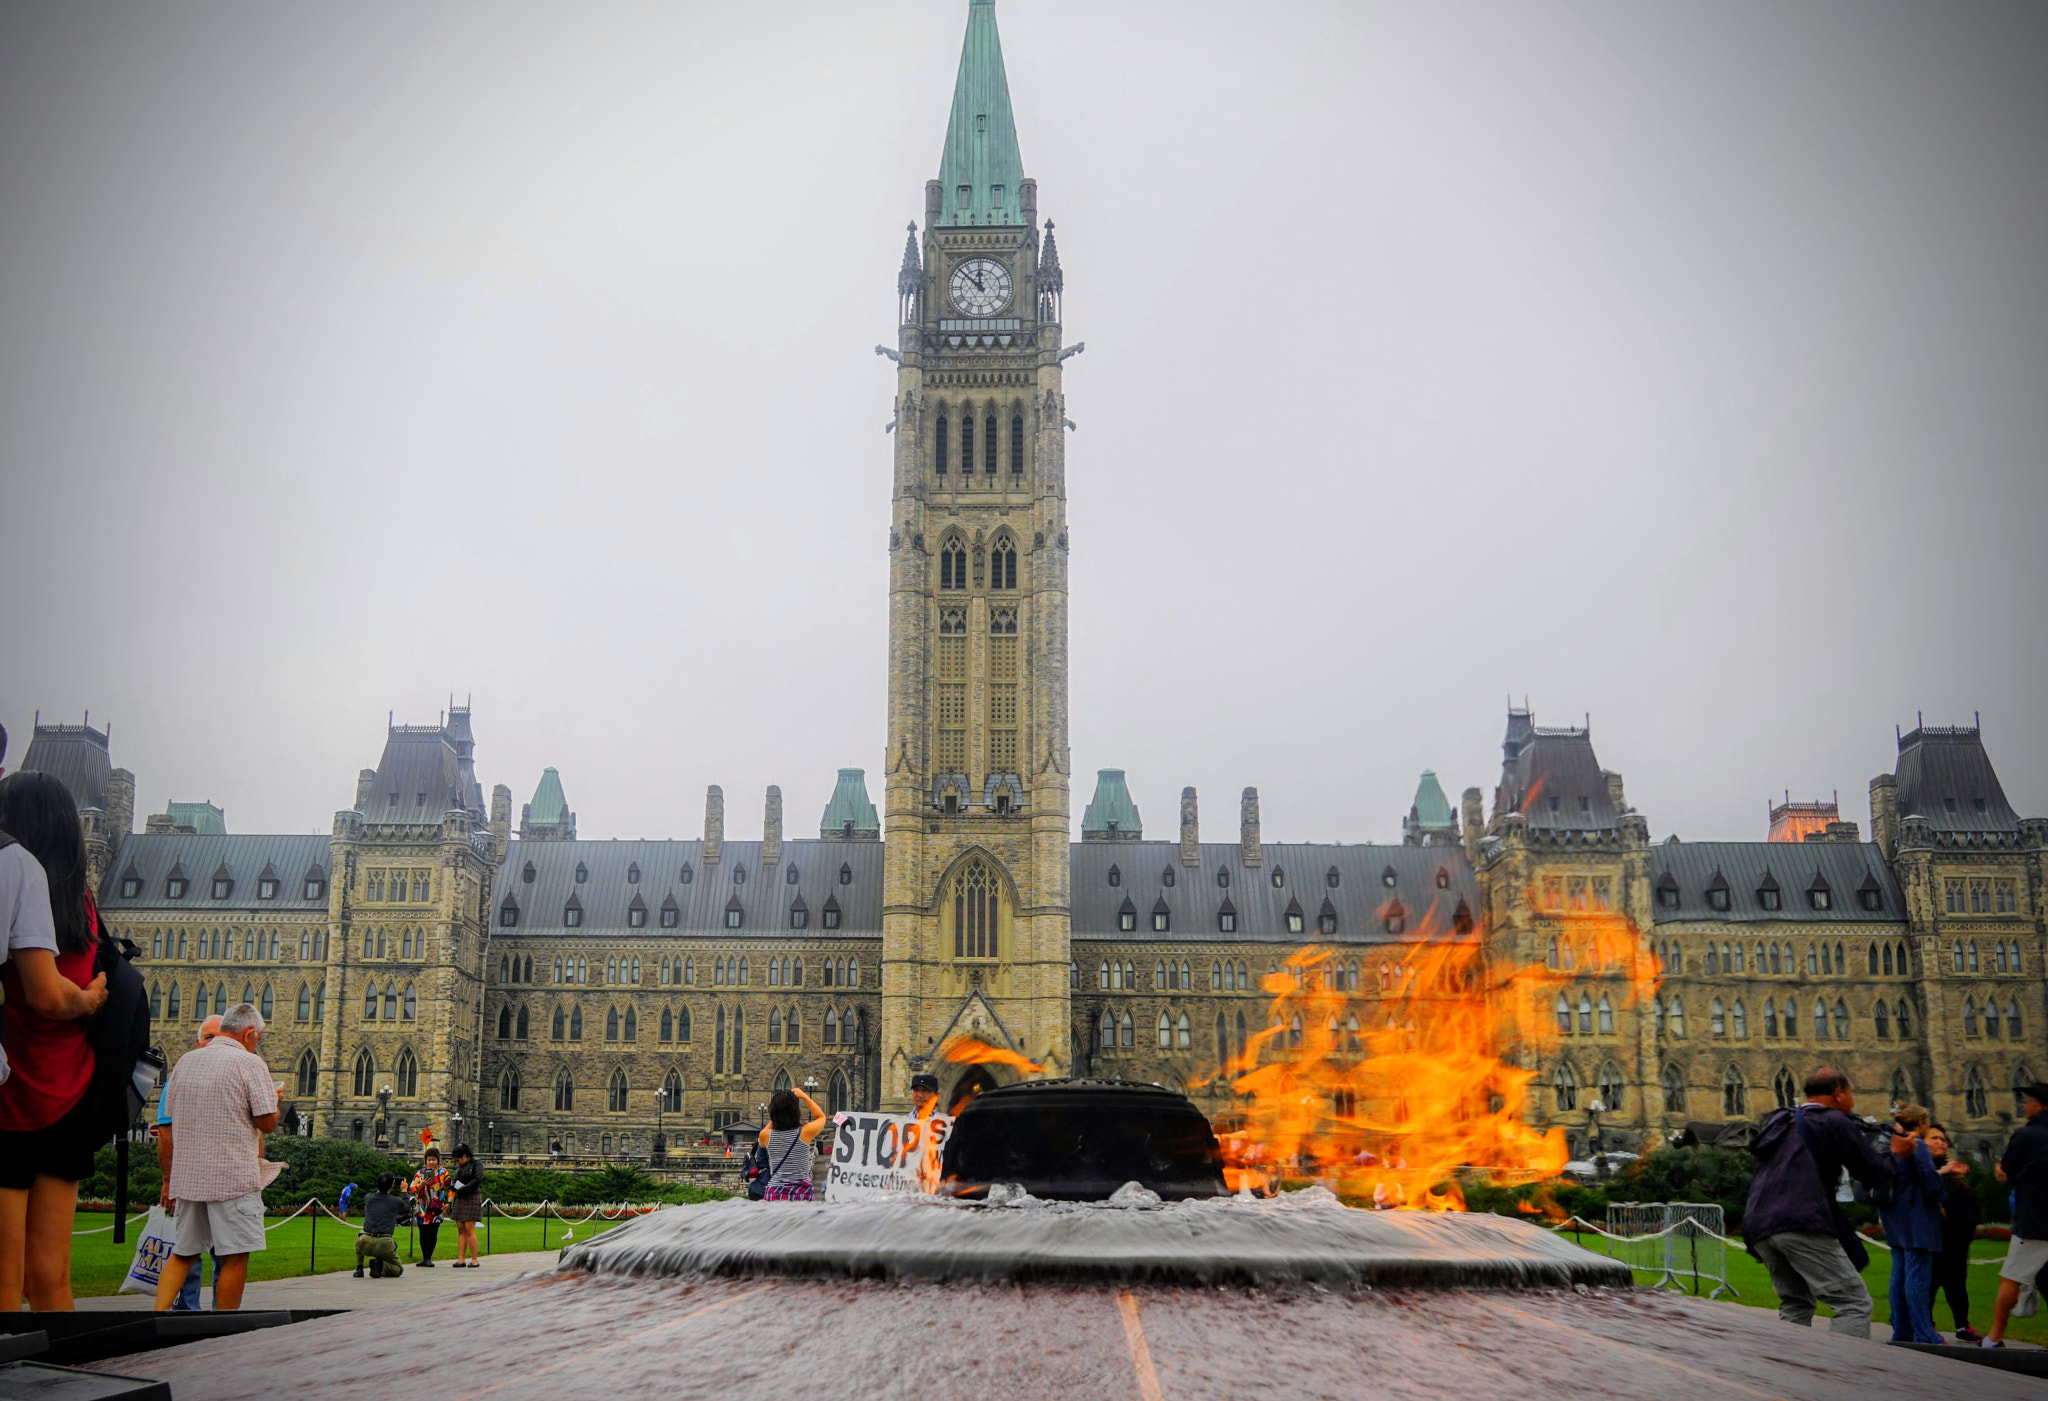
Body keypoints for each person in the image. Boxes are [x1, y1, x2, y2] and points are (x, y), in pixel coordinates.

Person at [0, 770, 112, 1311]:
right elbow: (73, 991)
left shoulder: (14, 887)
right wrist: (90, 999)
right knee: (51, 1275)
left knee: (4, 1276)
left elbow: (43, 994)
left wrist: (79, 1000)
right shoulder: (82, 906)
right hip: (69, 1093)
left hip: (10, 1095)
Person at [1741, 1066, 1899, 1338]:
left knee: (1796, 1303)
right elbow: (1872, 1172)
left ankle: (1791, 1370)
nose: (1853, 1101)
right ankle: (1844, 1374)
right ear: (1838, 1093)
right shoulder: (1832, 1121)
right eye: (1852, 1094)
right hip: (1801, 1220)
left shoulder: (1778, 1119)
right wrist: (1896, 1153)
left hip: (1759, 1224)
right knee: (1853, 1303)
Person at [152, 1002, 280, 1311]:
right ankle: (224, 1326)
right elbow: (267, 1123)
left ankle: (156, 1317)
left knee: (183, 1253)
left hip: (190, 1176)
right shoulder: (249, 1064)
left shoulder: (185, 1061)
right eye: (258, 1038)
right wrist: (274, 1100)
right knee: (234, 1257)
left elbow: (169, 1116)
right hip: (232, 1177)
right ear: (249, 1034)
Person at [161, 1015, 224, 1309]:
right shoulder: (180, 1076)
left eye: (220, 1037)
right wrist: (167, 1180)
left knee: (224, 1254)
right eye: (209, 1037)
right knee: (187, 1251)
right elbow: (166, 1131)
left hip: (225, 1181)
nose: (214, 1044)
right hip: (190, 1179)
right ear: (197, 1042)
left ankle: (221, 1320)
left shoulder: (235, 1073)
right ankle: (183, 1310)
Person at [1984, 1082, 2048, 1347]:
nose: (2023, 1105)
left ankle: (1995, 1336)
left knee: (2012, 1277)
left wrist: (2002, 1170)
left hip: (2036, 1220)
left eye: (2027, 1101)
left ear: (2040, 1105)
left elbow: (2007, 1173)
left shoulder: (2027, 1135)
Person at [1879, 1104, 1945, 1344]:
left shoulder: (1892, 1143)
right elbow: (1929, 1179)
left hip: (1895, 1215)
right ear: (1921, 1123)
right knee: (1917, 1275)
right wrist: (1940, 1197)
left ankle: (1902, 1329)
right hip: (1917, 1216)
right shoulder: (1917, 1145)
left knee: (1899, 1273)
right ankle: (1923, 1331)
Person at [1926, 1125, 1982, 1342]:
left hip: (1958, 1241)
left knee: (1957, 1285)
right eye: (1934, 1138)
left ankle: (1962, 1324)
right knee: (1930, 1284)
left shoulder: (1953, 1171)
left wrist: (1972, 1224)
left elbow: (1971, 1204)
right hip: (1936, 1239)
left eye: (1943, 1139)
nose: (1940, 1142)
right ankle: (1927, 1324)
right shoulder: (1927, 1170)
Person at [756, 1086, 827, 1201]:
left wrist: (778, 1113)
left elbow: (761, 1160)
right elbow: (821, 1117)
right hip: (801, 1194)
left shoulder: (765, 1135)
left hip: (775, 1194)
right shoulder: (805, 1132)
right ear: (796, 1111)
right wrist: (804, 1096)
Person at [353, 1173, 408, 1278]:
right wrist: (404, 1192)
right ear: (392, 1186)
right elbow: (407, 1209)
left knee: (360, 1236)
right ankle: (380, 1266)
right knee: (398, 1269)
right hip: (384, 1242)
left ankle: (359, 1268)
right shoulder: (396, 1201)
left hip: (365, 1241)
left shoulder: (368, 1198)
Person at [407, 1147, 451, 1268]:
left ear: (438, 1160)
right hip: (422, 1207)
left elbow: (450, 1187)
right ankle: (424, 1257)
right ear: (425, 1161)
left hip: (436, 1207)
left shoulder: (444, 1173)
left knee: (433, 1231)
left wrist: (449, 1202)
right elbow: (411, 1189)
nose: (431, 1162)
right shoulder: (419, 1174)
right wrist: (421, 1185)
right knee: (423, 1232)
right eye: (429, 1160)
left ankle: (428, 1257)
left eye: (433, 1159)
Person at [448, 1144, 483, 1266]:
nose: (457, 1163)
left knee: (469, 1229)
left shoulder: (476, 1163)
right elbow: (454, 1179)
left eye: (458, 1160)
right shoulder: (459, 1168)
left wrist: (465, 1188)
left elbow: (477, 1179)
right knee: (460, 1228)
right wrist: (453, 1185)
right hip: (460, 1196)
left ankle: (474, 1260)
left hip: (471, 1195)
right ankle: (461, 1259)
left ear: (464, 1156)